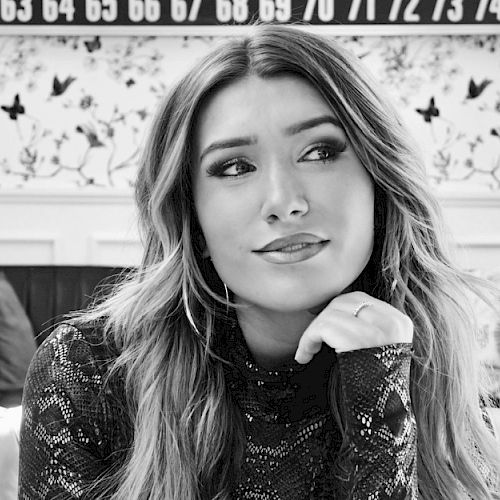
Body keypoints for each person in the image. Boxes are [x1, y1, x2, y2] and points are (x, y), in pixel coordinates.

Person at [18, 24, 500, 499]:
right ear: (194, 220)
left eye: (319, 152)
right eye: (235, 167)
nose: (284, 201)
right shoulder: (88, 372)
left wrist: (379, 397)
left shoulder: (439, 373)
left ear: (379, 183)